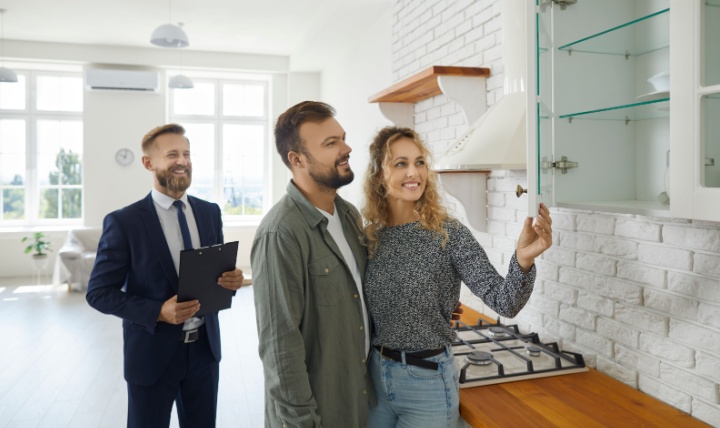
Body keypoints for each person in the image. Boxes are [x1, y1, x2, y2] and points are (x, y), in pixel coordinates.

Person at [361, 126, 553, 428]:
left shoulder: (449, 233)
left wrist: (523, 260)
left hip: (426, 384)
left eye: (419, 162)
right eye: (401, 163)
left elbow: (503, 301)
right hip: (375, 379)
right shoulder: (370, 237)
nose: (414, 172)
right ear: (378, 175)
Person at [86, 124, 245, 428]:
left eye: (186, 153)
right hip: (151, 356)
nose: (182, 161)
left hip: (205, 353)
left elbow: (215, 275)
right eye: (172, 154)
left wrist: (232, 282)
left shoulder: (210, 212)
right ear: (148, 163)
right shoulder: (124, 222)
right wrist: (157, 311)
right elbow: (98, 293)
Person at [251, 101, 373, 427]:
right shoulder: (280, 233)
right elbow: (280, 347)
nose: (346, 148)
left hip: (356, 400)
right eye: (331, 143)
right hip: (315, 414)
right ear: (297, 159)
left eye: (342, 138)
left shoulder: (349, 216)